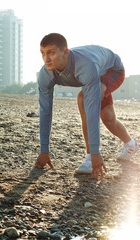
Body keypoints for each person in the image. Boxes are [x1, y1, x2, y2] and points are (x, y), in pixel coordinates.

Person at [35, 33, 139, 178]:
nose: (46, 59)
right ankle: (131, 144)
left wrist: (95, 153)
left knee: (83, 99)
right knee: (108, 118)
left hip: (112, 70)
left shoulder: (85, 65)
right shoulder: (45, 74)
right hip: (95, 70)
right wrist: (44, 151)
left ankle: (89, 158)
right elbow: (45, 111)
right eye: (43, 53)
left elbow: (92, 109)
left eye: (51, 53)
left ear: (66, 52)